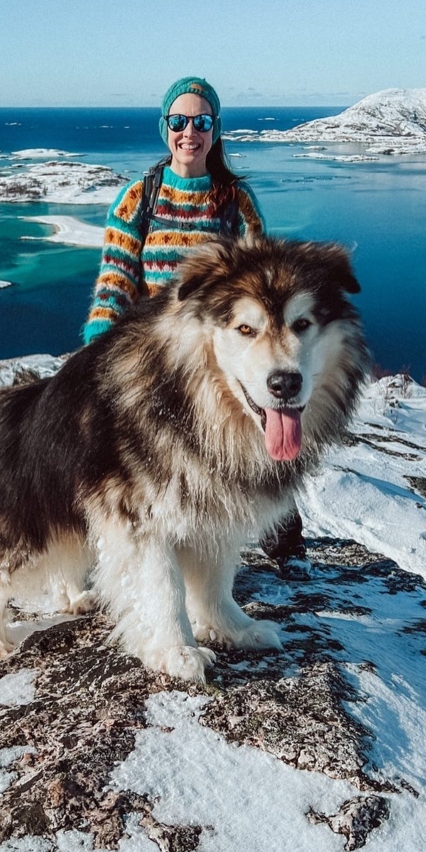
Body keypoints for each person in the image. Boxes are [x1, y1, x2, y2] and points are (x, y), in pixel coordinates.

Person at [82, 76, 306, 567]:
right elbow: (114, 282)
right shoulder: (138, 199)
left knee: (245, 442)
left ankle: (273, 534)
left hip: (211, 357)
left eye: (201, 122)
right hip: (148, 358)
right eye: (179, 121)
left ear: (215, 130)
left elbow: (263, 290)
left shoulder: (235, 201)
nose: (190, 131)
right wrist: (96, 351)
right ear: (165, 128)